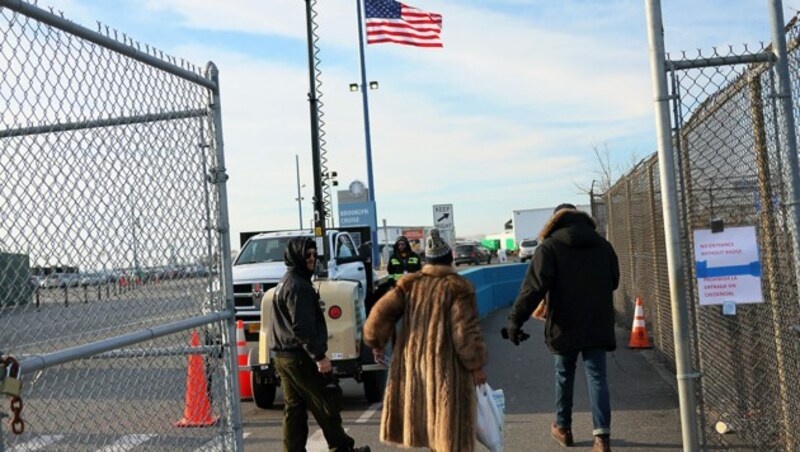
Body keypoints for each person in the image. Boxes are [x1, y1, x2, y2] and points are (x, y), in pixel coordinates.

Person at [504, 203, 619, 452]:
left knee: (564, 375)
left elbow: (533, 288)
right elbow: (614, 280)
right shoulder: (603, 246)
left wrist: (515, 321)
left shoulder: (550, 247)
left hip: (563, 324)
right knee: (597, 377)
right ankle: (602, 439)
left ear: (554, 222)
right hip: (597, 322)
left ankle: (563, 429)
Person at [364, 228, 488, 452]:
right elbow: (465, 331)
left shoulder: (409, 284)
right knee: (448, 429)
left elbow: (381, 313)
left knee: (427, 422)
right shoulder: (457, 287)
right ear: (449, 259)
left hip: (413, 365)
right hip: (445, 368)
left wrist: (376, 342)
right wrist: (476, 365)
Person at [269, 237, 371, 452]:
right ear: (296, 257)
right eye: (307, 255)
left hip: (283, 356)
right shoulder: (298, 286)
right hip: (298, 357)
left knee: (294, 408)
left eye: (314, 254)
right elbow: (302, 328)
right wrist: (319, 357)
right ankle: (342, 448)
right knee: (326, 403)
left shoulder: (285, 281)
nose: (312, 259)